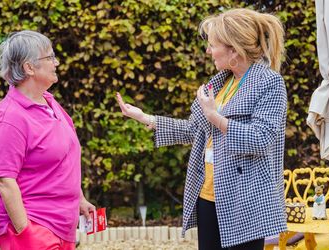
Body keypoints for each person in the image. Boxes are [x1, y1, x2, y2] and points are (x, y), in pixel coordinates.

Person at [116, 8, 287, 250]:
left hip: (244, 201)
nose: (208, 51)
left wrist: (215, 116)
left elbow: (261, 139)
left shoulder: (269, 83)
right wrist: (145, 118)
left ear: (234, 49)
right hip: (208, 196)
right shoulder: (220, 83)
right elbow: (193, 129)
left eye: (213, 45)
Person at [0, 30, 95, 250]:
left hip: (61, 222)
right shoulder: (6, 119)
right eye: (50, 57)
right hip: (33, 223)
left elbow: (67, 158)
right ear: (29, 67)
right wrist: (25, 232)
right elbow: (5, 181)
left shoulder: (51, 104)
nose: (57, 62)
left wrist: (79, 199)